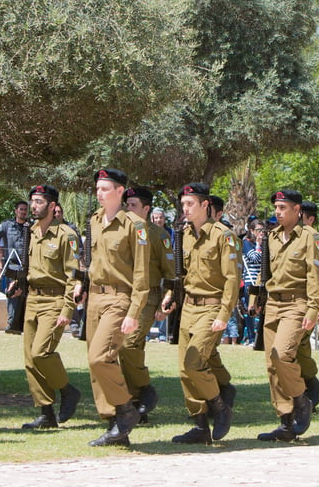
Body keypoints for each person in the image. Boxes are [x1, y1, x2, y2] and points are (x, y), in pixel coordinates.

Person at [163, 183, 238, 444]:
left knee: (195, 362)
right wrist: (170, 296)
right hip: (189, 307)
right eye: (183, 204)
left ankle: (220, 407)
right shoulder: (183, 235)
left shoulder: (222, 235)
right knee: (185, 369)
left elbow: (231, 278)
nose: (185, 209)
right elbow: (180, 274)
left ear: (205, 205)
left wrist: (224, 314)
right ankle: (199, 425)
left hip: (212, 306)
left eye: (190, 204)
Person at [82, 168, 151, 447]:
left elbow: (141, 274)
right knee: (96, 365)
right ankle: (115, 426)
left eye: (105, 188)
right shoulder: (95, 221)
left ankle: (126, 410)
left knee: (100, 358)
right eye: (97, 188)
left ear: (120, 191)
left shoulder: (135, 225)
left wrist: (134, 312)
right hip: (95, 298)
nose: (99, 193)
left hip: (119, 299)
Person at [255, 189, 319, 443]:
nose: (278, 212)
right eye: (276, 208)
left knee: (282, 355)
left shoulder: (310, 238)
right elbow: (266, 274)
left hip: (297, 303)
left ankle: (300, 399)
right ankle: (285, 421)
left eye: (283, 208)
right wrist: (256, 300)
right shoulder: (271, 237)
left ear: (297, 210)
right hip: (273, 303)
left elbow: (316, 277)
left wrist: (314, 309)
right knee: (272, 365)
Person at [19, 184, 82, 430]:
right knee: (30, 360)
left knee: (41, 352)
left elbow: (74, 275)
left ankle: (68, 391)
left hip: (55, 300)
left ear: (53, 205)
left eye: (39, 201)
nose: (34, 206)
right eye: (32, 201)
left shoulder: (67, 235)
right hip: (32, 299)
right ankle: (46, 413)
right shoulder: (32, 231)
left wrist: (68, 310)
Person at [120, 185, 171, 421]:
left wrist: (165, 302)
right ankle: (135, 403)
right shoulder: (122, 229)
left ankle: (144, 390)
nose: (128, 209)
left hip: (148, 297)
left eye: (133, 206)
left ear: (147, 209)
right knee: (131, 349)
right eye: (126, 205)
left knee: (129, 344)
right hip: (122, 296)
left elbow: (169, 273)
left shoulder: (158, 235)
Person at [296, 201, 319, 407]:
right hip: (296, 302)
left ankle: (312, 385)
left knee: (297, 345)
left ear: (311, 219)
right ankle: (306, 388)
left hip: (312, 302)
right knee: (298, 347)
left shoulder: (318, 240)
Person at [0, 201, 31, 332]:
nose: (23, 212)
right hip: (12, 266)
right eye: (21, 209)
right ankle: (12, 324)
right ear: (16, 211)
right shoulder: (7, 225)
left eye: (25, 210)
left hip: (28, 267)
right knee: (12, 295)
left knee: (27, 296)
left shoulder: (31, 226)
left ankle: (25, 324)